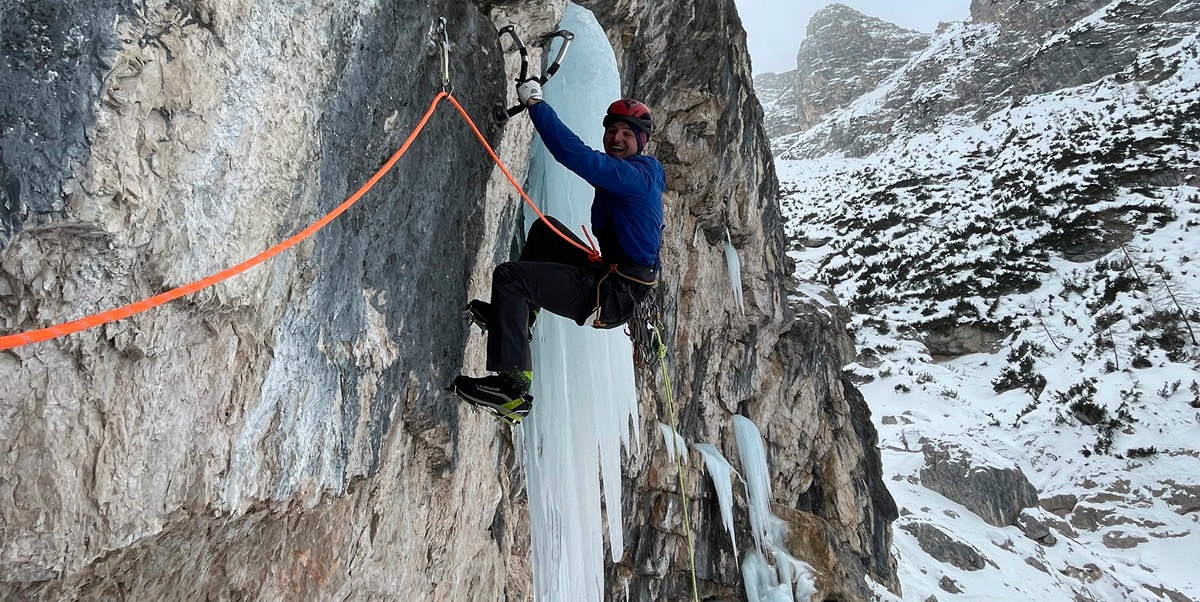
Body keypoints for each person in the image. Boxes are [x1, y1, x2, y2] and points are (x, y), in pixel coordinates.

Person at [451, 79, 666, 422]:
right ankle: (518, 324)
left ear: (640, 142)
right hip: (613, 277)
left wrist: (537, 104)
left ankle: (512, 389)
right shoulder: (640, 173)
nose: (616, 138)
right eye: (612, 130)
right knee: (544, 231)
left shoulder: (634, 177)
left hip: (610, 293)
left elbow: (575, 155)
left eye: (628, 133)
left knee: (510, 278)